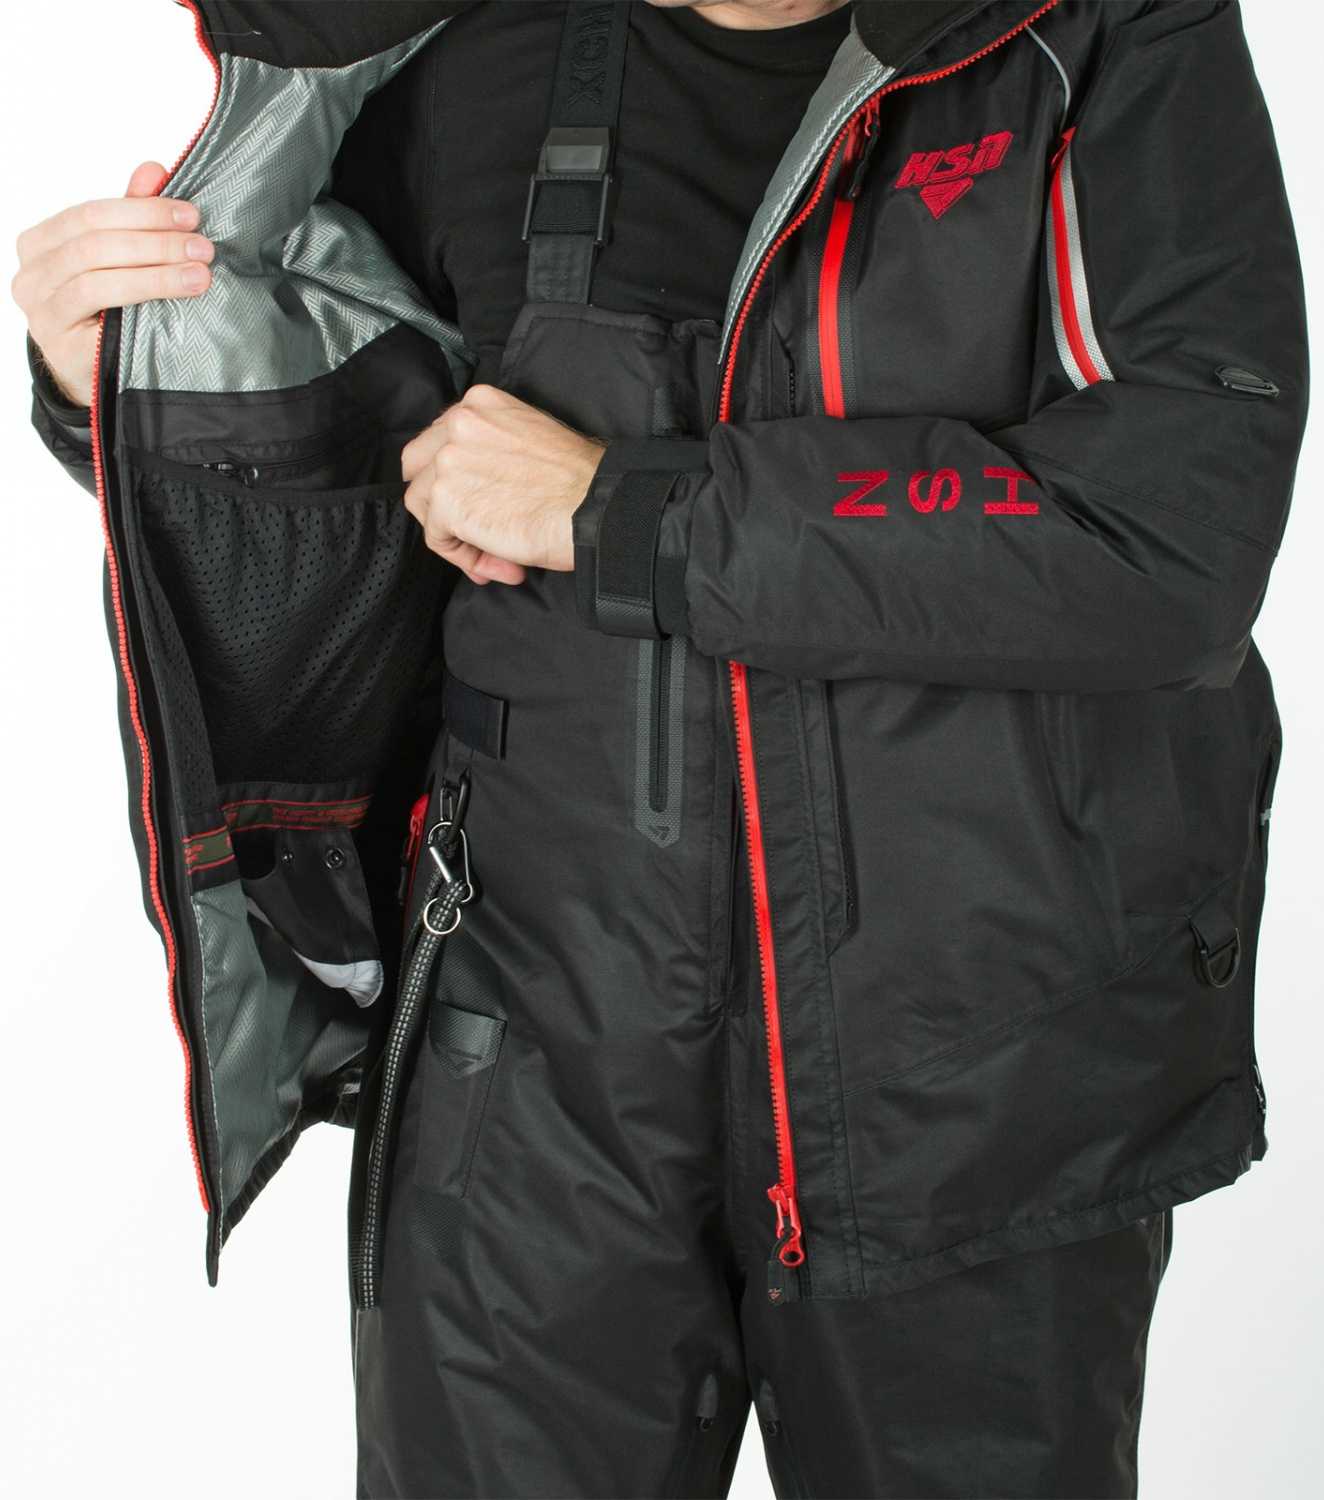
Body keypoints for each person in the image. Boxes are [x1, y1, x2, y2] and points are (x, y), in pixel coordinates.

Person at [13, 1, 1307, 1496]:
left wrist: (632, 512)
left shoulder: (1097, 36)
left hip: (977, 1088)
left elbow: (1173, 533)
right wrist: (128, 377)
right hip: (529, 1082)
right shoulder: (468, 52)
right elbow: (374, 467)